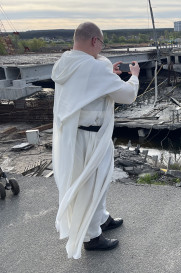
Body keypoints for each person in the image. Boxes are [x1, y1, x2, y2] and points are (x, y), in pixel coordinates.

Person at [51, 22, 140, 259]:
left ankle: (100, 218)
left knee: (96, 181)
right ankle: (92, 237)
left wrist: (107, 75)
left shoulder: (64, 64)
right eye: (101, 43)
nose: (101, 48)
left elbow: (85, 90)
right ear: (94, 41)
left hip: (76, 136)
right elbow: (128, 96)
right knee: (92, 185)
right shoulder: (93, 67)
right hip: (92, 137)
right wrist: (134, 77)